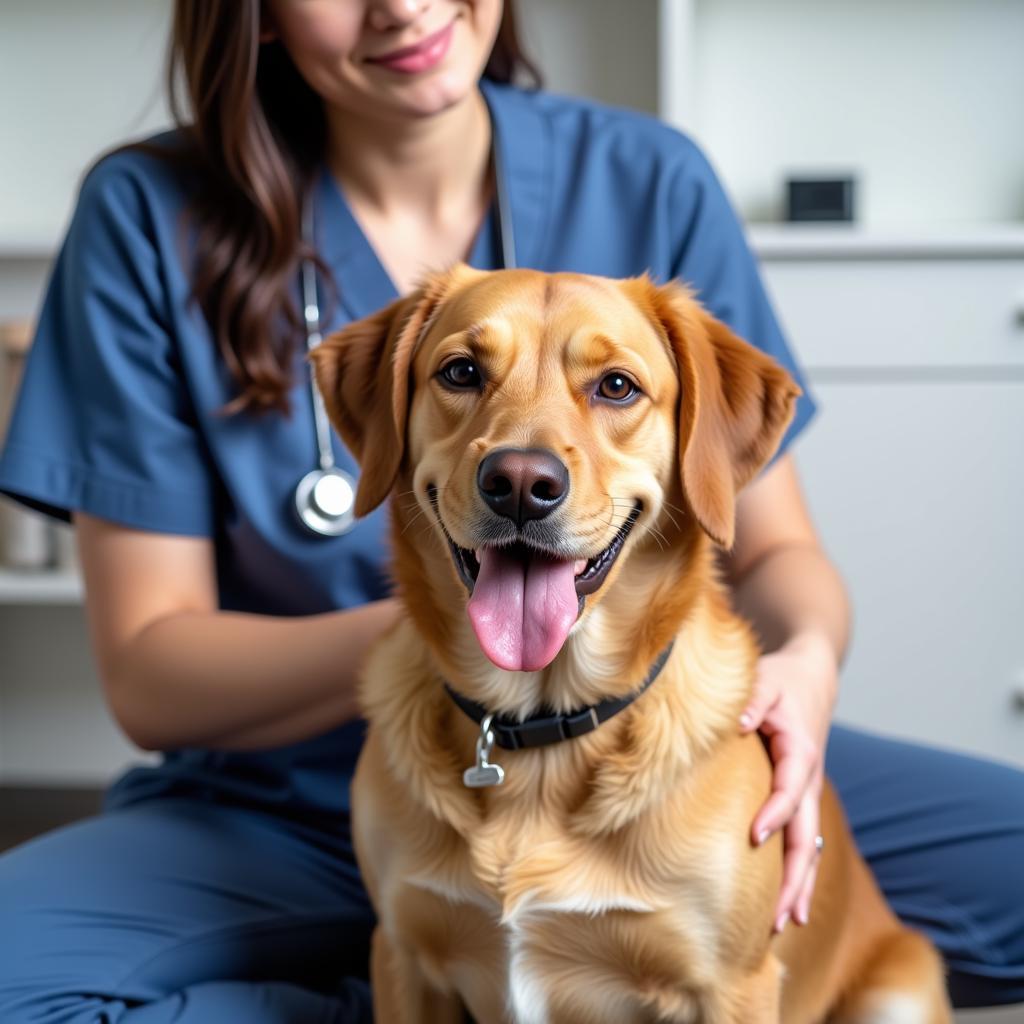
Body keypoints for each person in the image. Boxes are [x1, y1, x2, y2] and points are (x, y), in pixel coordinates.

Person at [0, 1, 1021, 1020]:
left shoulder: (648, 176)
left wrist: (805, 670)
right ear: (254, 16)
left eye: (612, 389)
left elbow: (779, 548)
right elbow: (147, 669)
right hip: (291, 800)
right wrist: (445, 638)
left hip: (671, 742)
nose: (401, 5)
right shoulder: (147, 211)